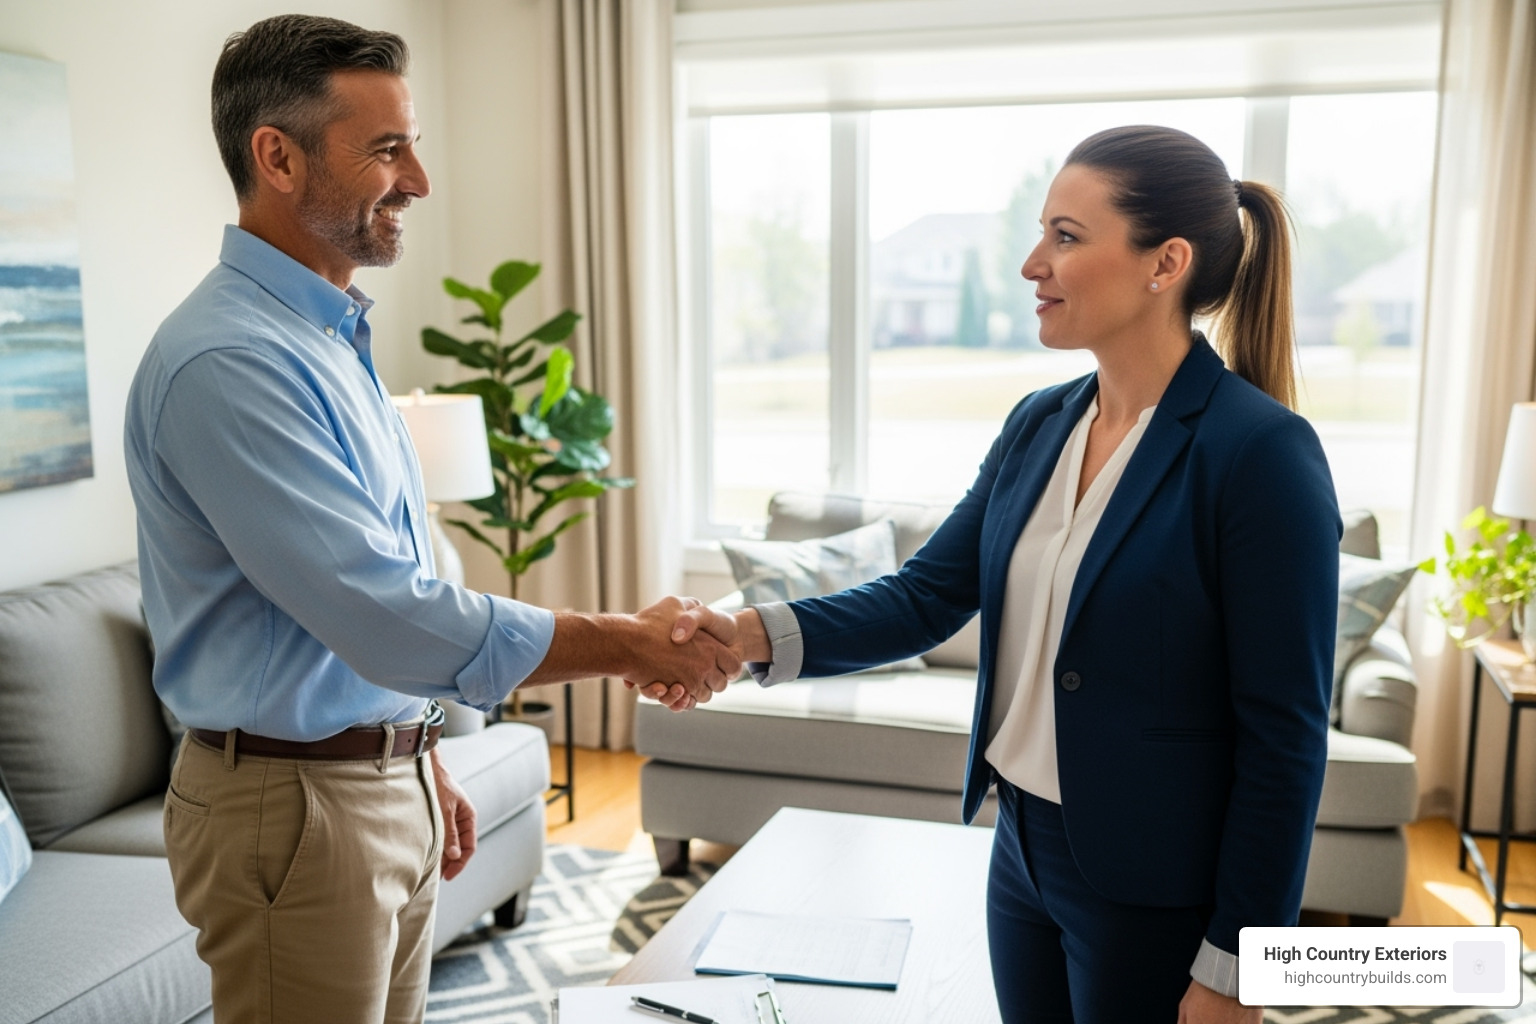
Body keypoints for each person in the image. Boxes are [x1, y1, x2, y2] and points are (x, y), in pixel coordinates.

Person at [661, 126, 1339, 1023]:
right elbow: (925, 595)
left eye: (1065, 236)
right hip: (1018, 847)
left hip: (1154, 886)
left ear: (1163, 263)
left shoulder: (1260, 454)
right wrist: (742, 634)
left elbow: (1285, 738)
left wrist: (1238, 967)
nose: (1032, 264)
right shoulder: (1040, 423)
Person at [124, 15, 726, 1024]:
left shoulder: (326, 335)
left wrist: (416, 746)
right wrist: (623, 641)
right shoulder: (230, 361)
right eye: (386, 149)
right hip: (294, 807)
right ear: (277, 155)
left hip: (367, 780)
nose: (419, 181)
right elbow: (382, 610)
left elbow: (366, 588)